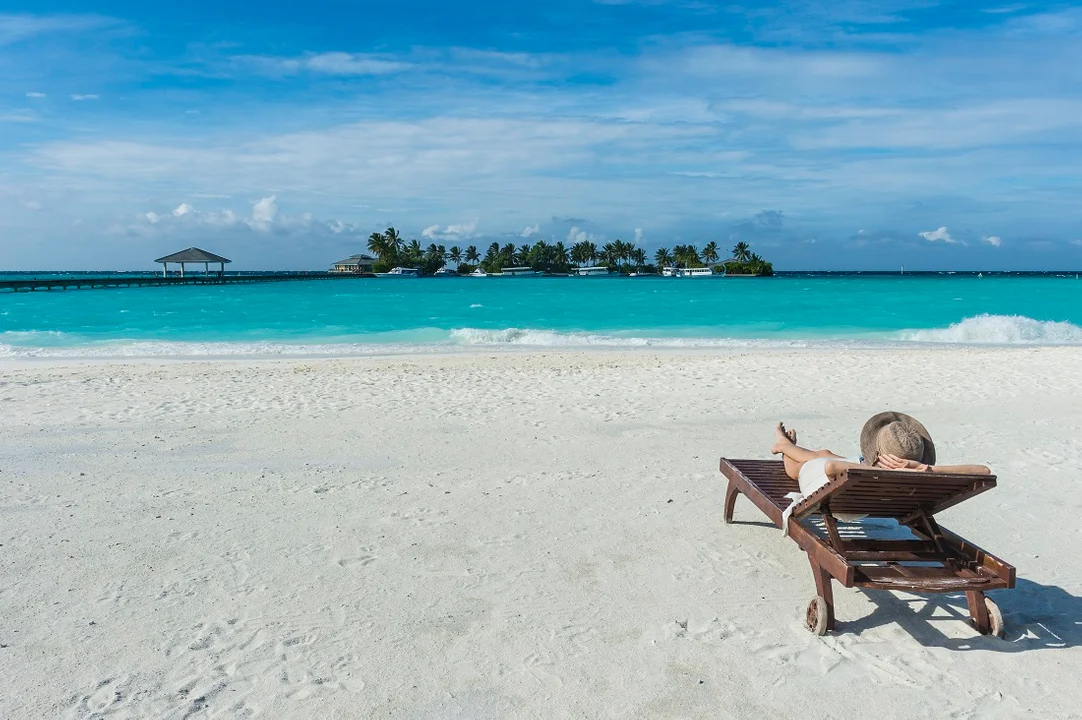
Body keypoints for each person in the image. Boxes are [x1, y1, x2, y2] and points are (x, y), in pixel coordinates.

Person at [771, 412, 991, 524]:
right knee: (824, 452)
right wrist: (923, 468)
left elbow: (831, 467)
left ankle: (784, 447)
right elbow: (984, 471)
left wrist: (882, 471)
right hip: (867, 483)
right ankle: (787, 446)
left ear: (876, 452)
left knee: (801, 468)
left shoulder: (861, 472)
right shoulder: (917, 471)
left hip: (837, 498)